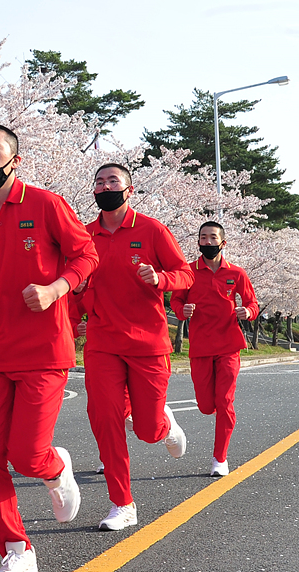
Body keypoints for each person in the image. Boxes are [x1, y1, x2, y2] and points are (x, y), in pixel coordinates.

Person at [0, 124, 99, 572]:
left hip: (43, 350)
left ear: (15, 160)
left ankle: (53, 467)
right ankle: (16, 549)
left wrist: (56, 289)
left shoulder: (45, 204)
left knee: (27, 456)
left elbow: (87, 255)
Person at [77, 163, 193, 531]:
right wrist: (76, 310)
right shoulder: (84, 235)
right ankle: (122, 503)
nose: (105, 186)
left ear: (129, 189)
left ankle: (164, 425)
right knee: (105, 418)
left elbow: (186, 274)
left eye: (113, 181)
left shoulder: (152, 229)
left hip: (147, 342)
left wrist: (160, 278)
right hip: (102, 342)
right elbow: (75, 280)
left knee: (146, 429)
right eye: (99, 181)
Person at [169, 221, 259, 476]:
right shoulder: (187, 272)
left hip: (229, 345)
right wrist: (181, 310)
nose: (208, 242)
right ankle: (216, 447)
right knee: (206, 405)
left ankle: (220, 458)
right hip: (200, 346)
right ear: (198, 242)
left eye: (212, 238)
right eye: (203, 238)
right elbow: (176, 300)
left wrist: (247, 312)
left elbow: (252, 303)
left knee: (225, 401)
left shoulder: (237, 274)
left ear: (223, 242)